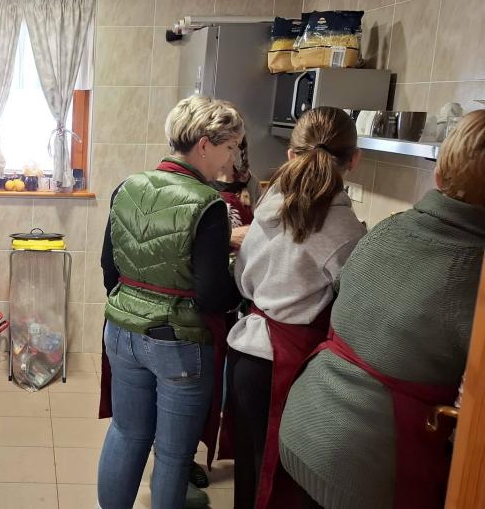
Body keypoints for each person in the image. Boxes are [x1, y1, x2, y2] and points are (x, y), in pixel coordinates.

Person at [278, 110, 485, 509]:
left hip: (308, 417)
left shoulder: (391, 227)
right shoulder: (475, 269)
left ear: (439, 175)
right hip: (368, 458)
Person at [97, 95, 244, 509]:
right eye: (230, 147)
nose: (232, 160)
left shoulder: (128, 186)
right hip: (177, 343)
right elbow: (213, 295)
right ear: (204, 144)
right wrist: (242, 277)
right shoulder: (208, 204)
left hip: (121, 331)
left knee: (126, 432)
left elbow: (109, 267)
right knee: (173, 454)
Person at [225, 107, 366, 509]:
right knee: (279, 476)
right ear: (354, 159)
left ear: (291, 154)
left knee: (250, 470)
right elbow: (351, 306)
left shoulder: (269, 207)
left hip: (246, 353)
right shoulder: (345, 230)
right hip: (287, 362)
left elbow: (241, 274)